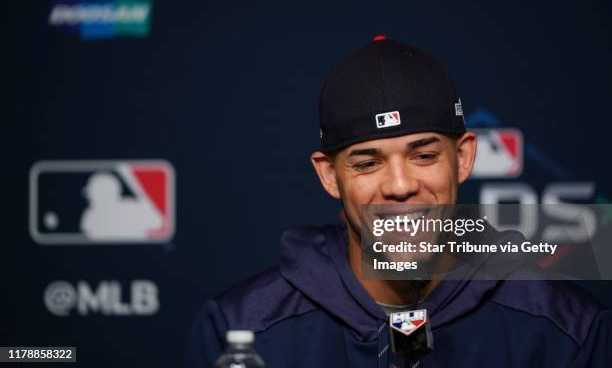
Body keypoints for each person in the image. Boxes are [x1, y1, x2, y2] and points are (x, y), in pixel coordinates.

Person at [186, 37, 612, 368]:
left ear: (462, 157)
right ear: (329, 175)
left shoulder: (566, 330)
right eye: (368, 163)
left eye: (424, 155)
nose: (401, 186)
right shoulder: (242, 329)